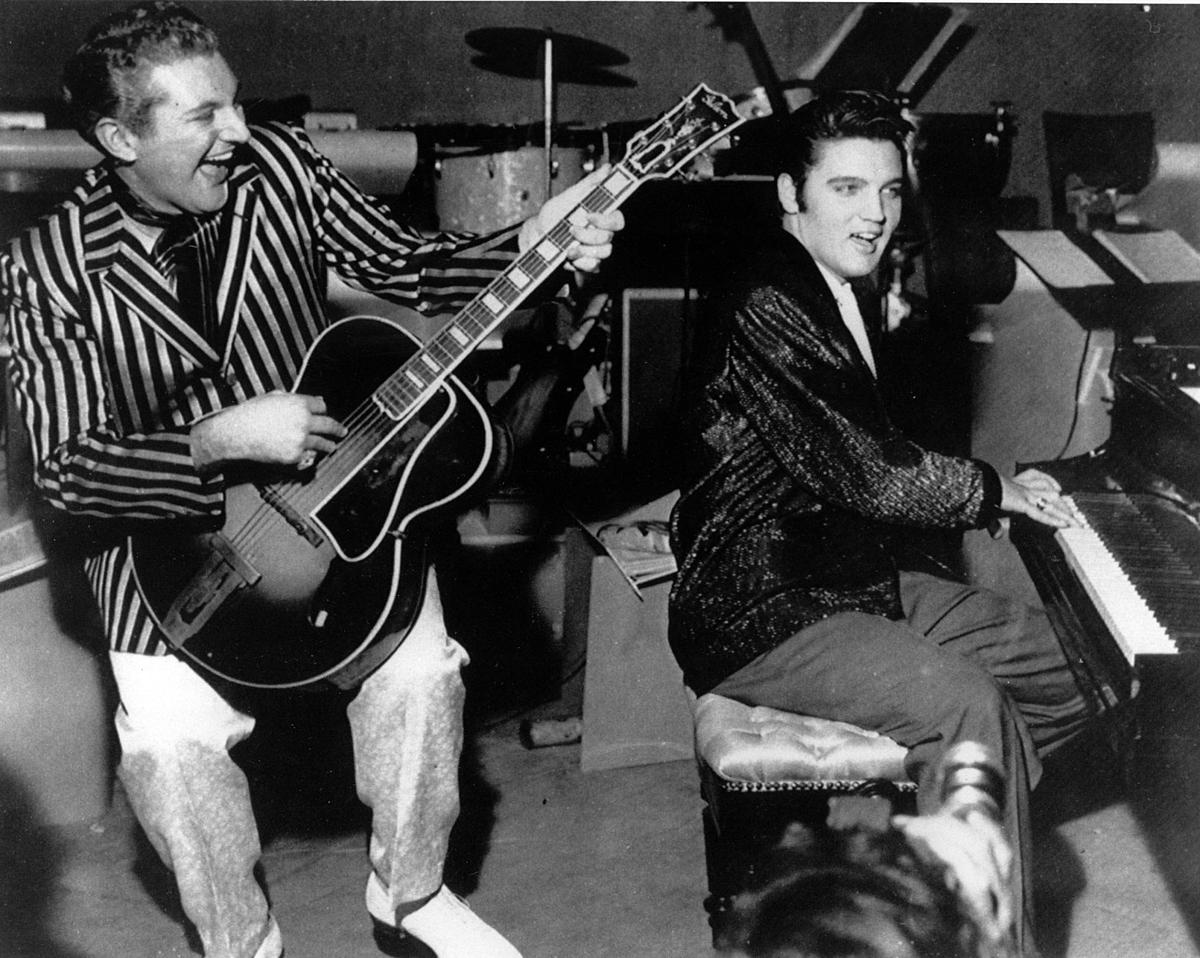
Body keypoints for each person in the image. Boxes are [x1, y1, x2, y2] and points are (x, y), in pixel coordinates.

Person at [0, 4, 623, 958]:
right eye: (203, 116)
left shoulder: (279, 168)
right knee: (170, 752)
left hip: (337, 504)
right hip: (164, 554)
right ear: (120, 137)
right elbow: (65, 471)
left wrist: (534, 237)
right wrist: (211, 443)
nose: (239, 133)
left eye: (237, 105)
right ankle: (241, 941)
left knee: (420, 677)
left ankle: (410, 898)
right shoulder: (47, 271)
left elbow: (409, 268)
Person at [666, 89, 1093, 956]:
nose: (875, 216)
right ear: (791, 193)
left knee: (1083, 663)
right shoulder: (766, 297)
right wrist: (997, 491)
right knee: (969, 708)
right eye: (848, 189)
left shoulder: (840, 283)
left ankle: (928, 855)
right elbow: (866, 469)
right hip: (762, 602)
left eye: (891, 192)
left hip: (845, 579)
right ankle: (970, 931)